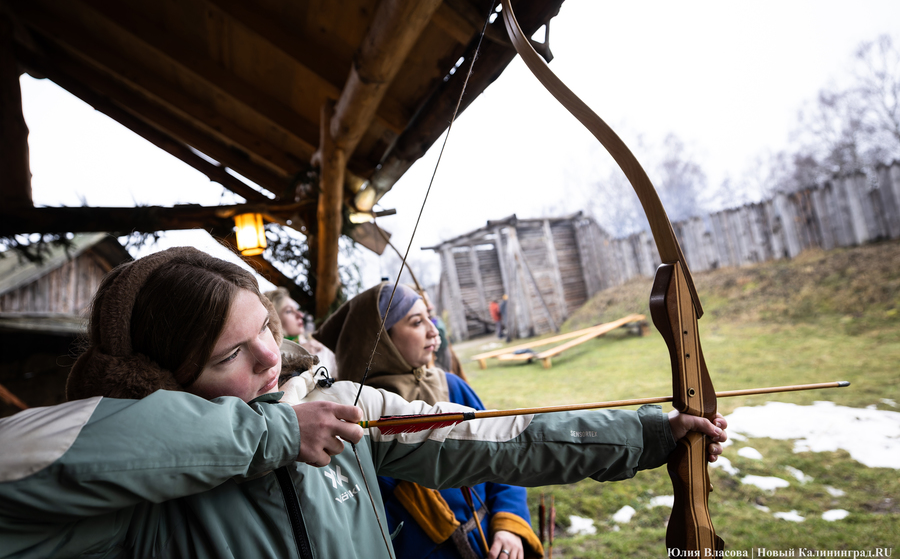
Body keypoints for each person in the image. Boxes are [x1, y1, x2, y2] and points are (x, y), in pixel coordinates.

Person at [0, 247, 727, 559]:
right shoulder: (130, 496)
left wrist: (650, 434)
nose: (268, 359)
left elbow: (498, 439)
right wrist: (270, 437)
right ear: (158, 379)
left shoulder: (336, 406)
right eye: (230, 356)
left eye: (264, 331)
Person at [314, 283, 541, 558]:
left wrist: (509, 523)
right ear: (380, 341)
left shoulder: (452, 387)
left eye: (429, 318)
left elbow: (503, 453)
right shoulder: (354, 417)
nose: (434, 331)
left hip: (492, 542)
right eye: (417, 322)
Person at [265, 286, 338, 378]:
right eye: (289, 311)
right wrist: (298, 351)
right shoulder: (272, 356)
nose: (300, 315)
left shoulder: (315, 344)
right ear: (274, 320)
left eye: (297, 310)